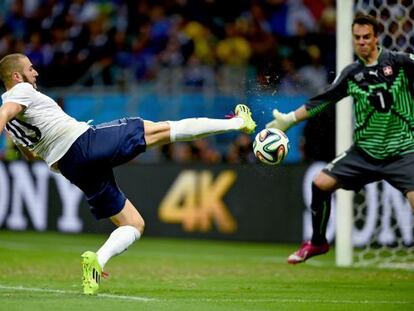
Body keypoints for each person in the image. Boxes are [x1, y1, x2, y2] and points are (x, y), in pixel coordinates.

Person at [0, 53, 257, 294]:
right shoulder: (19, 93)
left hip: (70, 166)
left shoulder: (15, 122)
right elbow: (5, 112)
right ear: (16, 76)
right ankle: (236, 122)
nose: (35, 72)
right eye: (30, 68)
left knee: (133, 224)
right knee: (161, 129)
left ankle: (96, 262)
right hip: (83, 143)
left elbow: (30, 155)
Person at [266, 13, 414, 264]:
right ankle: (318, 243)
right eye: (357, 38)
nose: (362, 42)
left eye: (367, 37)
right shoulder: (351, 73)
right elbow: (321, 102)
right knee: (320, 183)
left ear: (376, 37)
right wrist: (288, 120)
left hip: (403, 152)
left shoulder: (399, 62)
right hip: (364, 153)